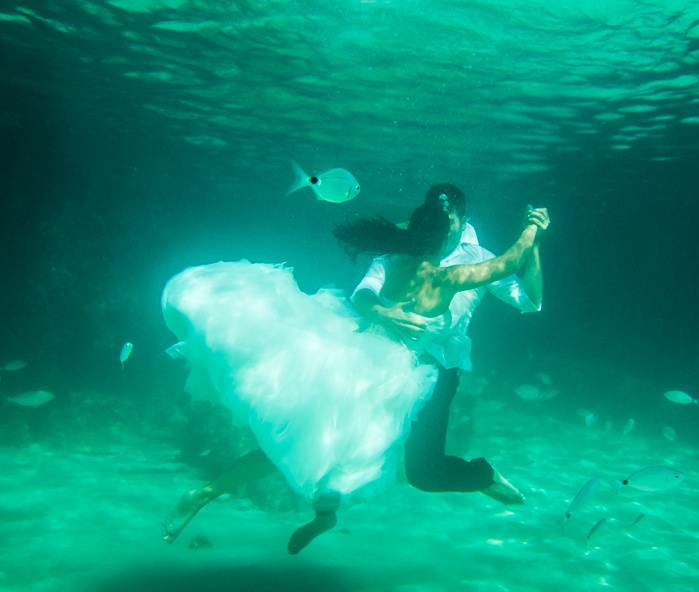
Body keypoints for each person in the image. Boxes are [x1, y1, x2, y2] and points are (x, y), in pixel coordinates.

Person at [159, 196, 549, 555]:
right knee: (317, 445)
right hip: (387, 373)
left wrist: (534, 244)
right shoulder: (441, 274)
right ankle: (223, 498)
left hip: (395, 366)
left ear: (458, 220)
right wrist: (532, 228)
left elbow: (526, 293)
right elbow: (509, 259)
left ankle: (300, 511)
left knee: (310, 441)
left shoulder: (405, 258)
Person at [351, 184, 547, 504]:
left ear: (461, 220)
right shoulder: (398, 254)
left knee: (423, 474)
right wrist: (384, 314)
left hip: (437, 372)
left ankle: (482, 475)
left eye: (448, 220)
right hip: (376, 366)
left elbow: (529, 300)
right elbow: (362, 293)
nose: (441, 228)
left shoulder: (470, 263)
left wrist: (534, 238)